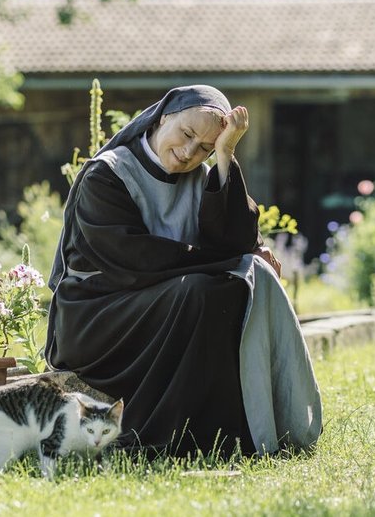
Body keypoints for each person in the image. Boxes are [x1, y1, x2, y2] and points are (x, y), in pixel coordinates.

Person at [44, 84, 322, 458]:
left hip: (160, 304)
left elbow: (237, 240)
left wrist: (225, 156)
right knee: (201, 290)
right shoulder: (106, 176)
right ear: (162, 119)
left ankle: (223, 435)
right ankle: (161, 435)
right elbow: (133, 261)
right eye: (187, 134)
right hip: (97, 317)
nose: (190, 153)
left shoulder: (203, 178)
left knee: (230, 288)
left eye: (205, 147)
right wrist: (230, 261)